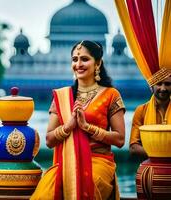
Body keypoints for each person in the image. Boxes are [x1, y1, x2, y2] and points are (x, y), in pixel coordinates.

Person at [31, 40, 125, 200]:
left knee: (86, 185)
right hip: (67, 161)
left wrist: (87, 127)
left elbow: (120, 139)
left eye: (85, 59)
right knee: (47, 190)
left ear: (98, 63)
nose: (78, 64)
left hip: (98, 161)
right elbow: (49, 140)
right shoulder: (62, 96)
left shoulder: (111, 94)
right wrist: (68, 126)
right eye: (75, 59)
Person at [129, 75, 171, 158]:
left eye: (167, 84)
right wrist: (162, 155)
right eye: (159, 84)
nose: (163, 88)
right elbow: (133, 148)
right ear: (151, 86)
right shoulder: (141, 110)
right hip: (151, 166)